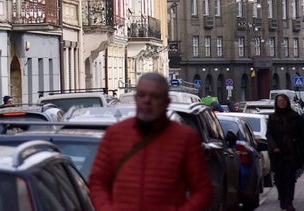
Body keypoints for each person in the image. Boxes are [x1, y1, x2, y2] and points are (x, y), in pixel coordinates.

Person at [88, 72, 214, 210]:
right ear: (136, 99)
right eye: (142, 95)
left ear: (166, 101)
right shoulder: (115, 134)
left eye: (155, 96)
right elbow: (98, 182)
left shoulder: (185, 138)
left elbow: (202, 190)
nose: (147, 101)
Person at [267, 93, 304, 211]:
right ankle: (282, 199)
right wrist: (274, 146)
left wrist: (299, 144)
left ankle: (289, 202)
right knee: (279, 178)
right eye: (279, 101)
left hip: (291, 151)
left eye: (283, 100)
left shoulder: (295, 116)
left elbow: (302, 133)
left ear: (287, 102)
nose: (282, 102)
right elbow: (269, 134)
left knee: (290, 177)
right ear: (276, 103)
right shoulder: (272, 118)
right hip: (277, 152)